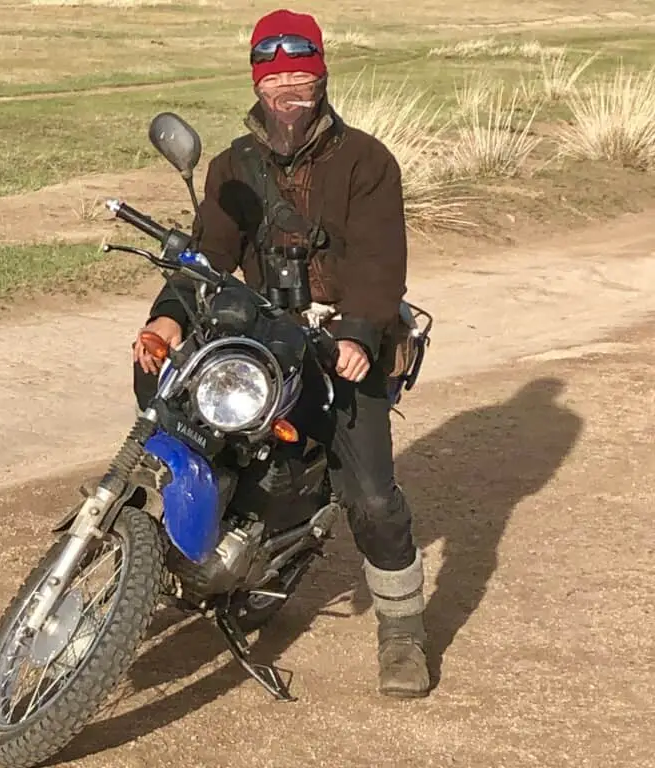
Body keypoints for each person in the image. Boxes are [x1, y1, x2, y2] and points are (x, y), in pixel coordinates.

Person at [131, 8, 431, 698]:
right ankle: (171, 557)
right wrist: (169, 318)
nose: (289, 91)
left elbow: (383, 261)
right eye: (276, 80)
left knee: (372, 496)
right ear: (258, 86)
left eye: (302, 76)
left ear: (321, 77)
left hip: (341, 343)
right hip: (262, 332)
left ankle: (403, 629)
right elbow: (209, 252)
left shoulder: (367, 161)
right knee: (181, 417)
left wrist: (359, 331)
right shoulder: (234, 166)